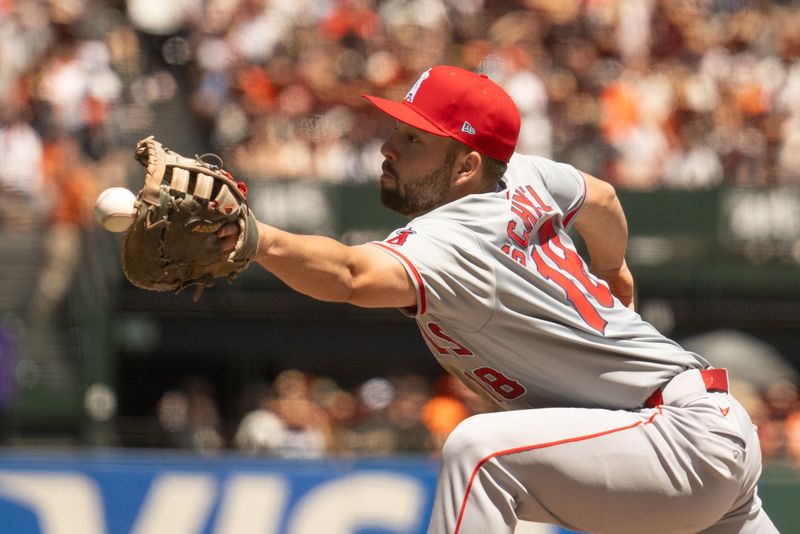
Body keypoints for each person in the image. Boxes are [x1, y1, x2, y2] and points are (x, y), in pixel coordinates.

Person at [218, 65, 776, 534]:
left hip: (677, 439)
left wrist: (256, 238)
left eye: (414, 139)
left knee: (478, 453)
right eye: (397, 130)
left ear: (466, 166)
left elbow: (348, 274)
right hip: (700, 437)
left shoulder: (456, 236)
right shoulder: (524, 174)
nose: (387, 148)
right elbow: (601, 199)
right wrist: (614, 269)